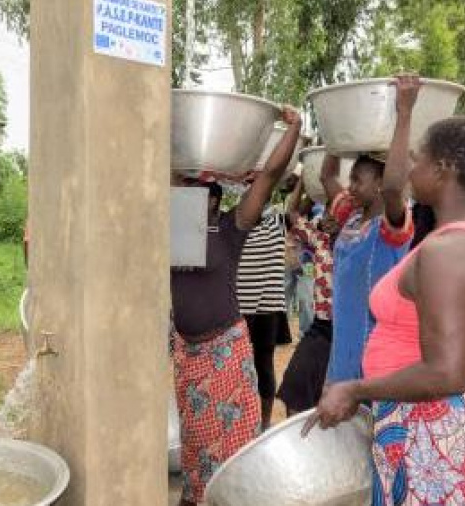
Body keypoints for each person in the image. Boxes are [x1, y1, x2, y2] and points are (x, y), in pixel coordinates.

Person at [307, 105, 465, 504]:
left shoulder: (448, 252)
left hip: (435, 426)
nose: (410, 169)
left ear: (442, 169)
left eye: (417, 158)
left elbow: (448, 373)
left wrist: (355, 387)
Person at [170, 106, 301, 506]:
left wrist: (293, 128)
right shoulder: (171, 230)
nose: (183, 197)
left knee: (229, 450)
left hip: (225, 354)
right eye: (181, 191)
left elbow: (269, 177)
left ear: (212, 201)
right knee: (195, 445)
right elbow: (159, 167)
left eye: (194, 192)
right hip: (188, 355)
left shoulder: (231, 227)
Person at [319, 80, 416, 386]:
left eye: (358, 180)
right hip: (342, 352)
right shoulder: (350, 218)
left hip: (376, 355)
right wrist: (335, 130)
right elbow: (326, 176)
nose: (350, 187)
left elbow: (393, 188)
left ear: (378, 184)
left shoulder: (392, 228)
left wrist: (404, 113)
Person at [276, 176, 340, 416]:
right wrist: (306, 180)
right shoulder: (321, 241)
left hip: (354, 335)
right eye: (328, 212)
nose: (331, 218)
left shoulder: (364, 240)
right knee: (295, 389)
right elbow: (291, 212)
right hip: (322, 329)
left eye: (339, 212)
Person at [235, 185, 291, 429]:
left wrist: (296, 180)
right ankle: (242, 422)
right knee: (239, 367)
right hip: (238, 311)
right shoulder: (235, 226)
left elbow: (297, 205)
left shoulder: (276, 223)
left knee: (264, 366)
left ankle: (265, 424)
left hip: (267, 310)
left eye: (259, 198)